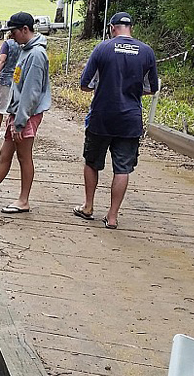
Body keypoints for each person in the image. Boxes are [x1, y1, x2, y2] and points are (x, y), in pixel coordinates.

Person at [73, 12, 158, 229]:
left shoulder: (103, 48)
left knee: (92, 162)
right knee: (122, 169)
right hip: (130, 120)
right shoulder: (147, 52)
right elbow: (151, 88)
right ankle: (112, 217)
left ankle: (88, 206)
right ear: (131, 28)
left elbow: (85, 85)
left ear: (112, 28)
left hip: (101, 117)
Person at [0, 12, 51, 213]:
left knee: (24, 157)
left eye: (13, 32)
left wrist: (20, 121)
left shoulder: (37, 54)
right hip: (16, 113)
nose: (11, 36)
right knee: (4, 154)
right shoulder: (25, 50)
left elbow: (31, 93)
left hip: (26, 116)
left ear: (25, 30)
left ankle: (23, 201)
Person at [0, 33, 20, 137]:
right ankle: (12, 131)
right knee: (15, 106)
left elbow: (2, 60)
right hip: (18, 80)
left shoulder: (7, 44)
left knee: (0, 106)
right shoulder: (24, 45)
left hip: (5, 79)